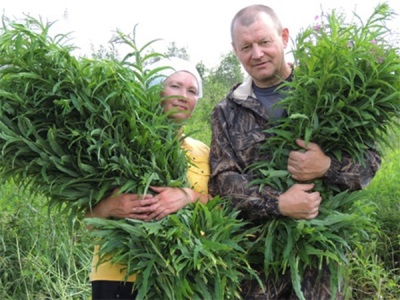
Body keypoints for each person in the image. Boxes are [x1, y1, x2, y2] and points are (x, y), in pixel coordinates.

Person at [208, 4, 381, 299]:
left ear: (284, 37)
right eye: (246, 46)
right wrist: (279, 203)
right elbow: (223, 180)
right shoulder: (226, 111)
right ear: (236, 51)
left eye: (264, 42)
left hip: (322, 268)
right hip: (256, 269)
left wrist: (327, 166)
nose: (257, 53)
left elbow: (370, 160)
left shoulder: (325, 91)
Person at [86, 57, 210, 300]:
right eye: (174, 86)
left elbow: (220, 206)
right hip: (119, 275)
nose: (183, 95)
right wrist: (112, 205)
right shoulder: (119, 143)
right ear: (154, 88)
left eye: (192, 90)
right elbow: (89, 221)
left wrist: (187, 196)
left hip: (182, 276)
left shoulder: (203, 151)